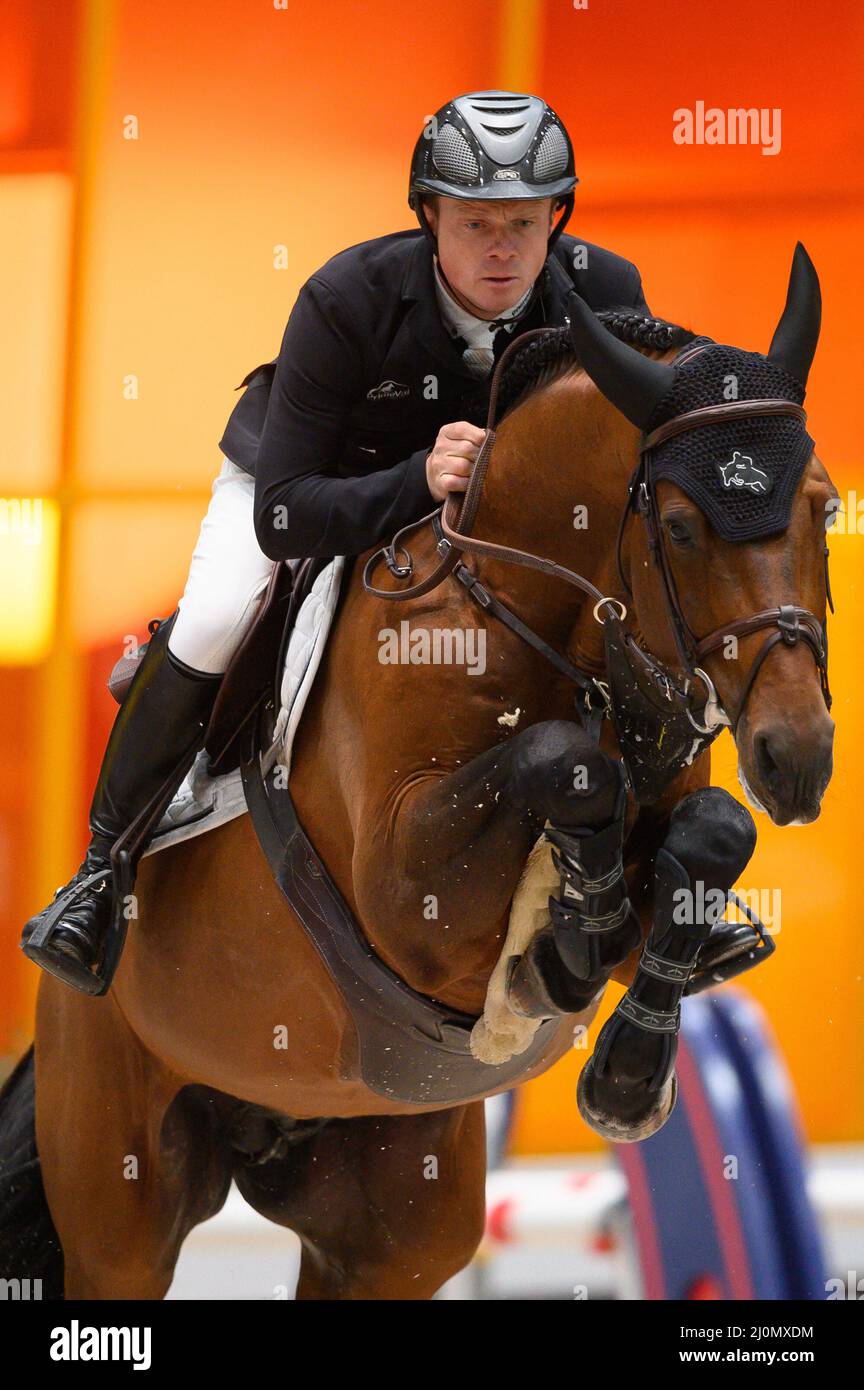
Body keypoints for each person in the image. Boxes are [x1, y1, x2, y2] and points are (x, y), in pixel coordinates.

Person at [21, 89, 652, 996]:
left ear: (559, 215)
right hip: (310, 487)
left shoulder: (605, 293)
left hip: (490, 529)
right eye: (475, 223)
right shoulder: (346, 297)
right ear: (429, 213)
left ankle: (667, 854)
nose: (504, 249)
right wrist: (415, 482)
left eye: (525, 221)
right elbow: (284, 513)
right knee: (215, 615)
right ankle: (100, 871)